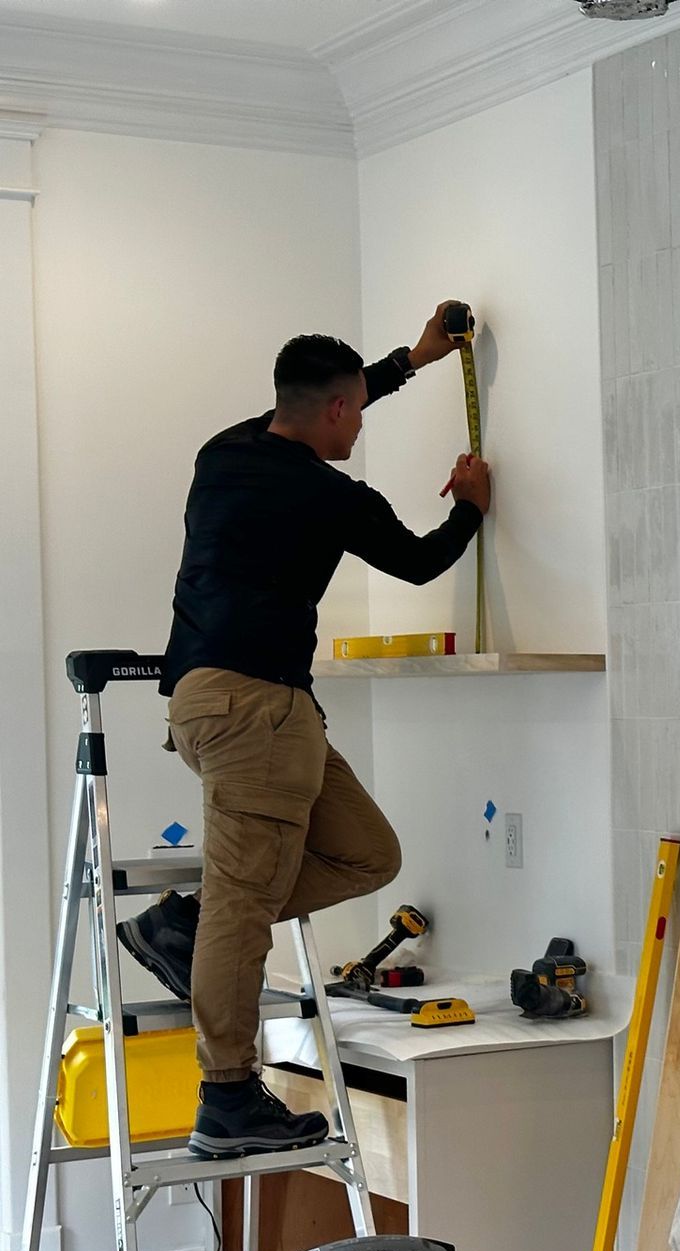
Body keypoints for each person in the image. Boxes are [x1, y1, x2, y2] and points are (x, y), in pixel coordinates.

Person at [117, 303, 491, 1158]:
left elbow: (325, 399)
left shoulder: (225, 451)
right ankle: (226, 1097)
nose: (359, 426)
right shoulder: (330, 496)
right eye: (355, 412)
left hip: (208, 703)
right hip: (260, 713)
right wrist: (472, 506)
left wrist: (411, 361)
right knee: (243, 906)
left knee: (368, 852)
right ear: (335, 408)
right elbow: (421, 560)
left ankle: (188, 924)